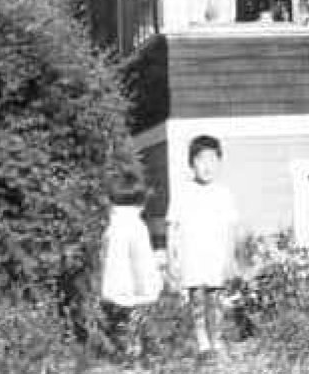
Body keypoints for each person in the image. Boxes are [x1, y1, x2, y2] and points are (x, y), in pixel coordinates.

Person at [167, 134, 240, 362]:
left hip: (216, 256)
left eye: (211, 160)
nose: (206, 166)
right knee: (197, 299)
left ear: (219, 162)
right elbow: (172, 227)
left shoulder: (224, 193)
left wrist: (230, 257)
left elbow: (230, 229)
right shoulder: (183, 192)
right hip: (192, 255)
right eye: (200, 159)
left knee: (216, 299)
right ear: (192, 163)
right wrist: (172, 258)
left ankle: (216, 340)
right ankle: (202, 343)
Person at [100, 169, 162, 360]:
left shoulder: (112, 228)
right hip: (140, 292)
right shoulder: (137, 227)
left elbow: (105, 259)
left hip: (116, 291)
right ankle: (146, 355)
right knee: (141, 326)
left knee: (121, 327)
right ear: (140, 204)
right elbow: (143, 260)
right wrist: (151, 284)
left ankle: (128, 355)